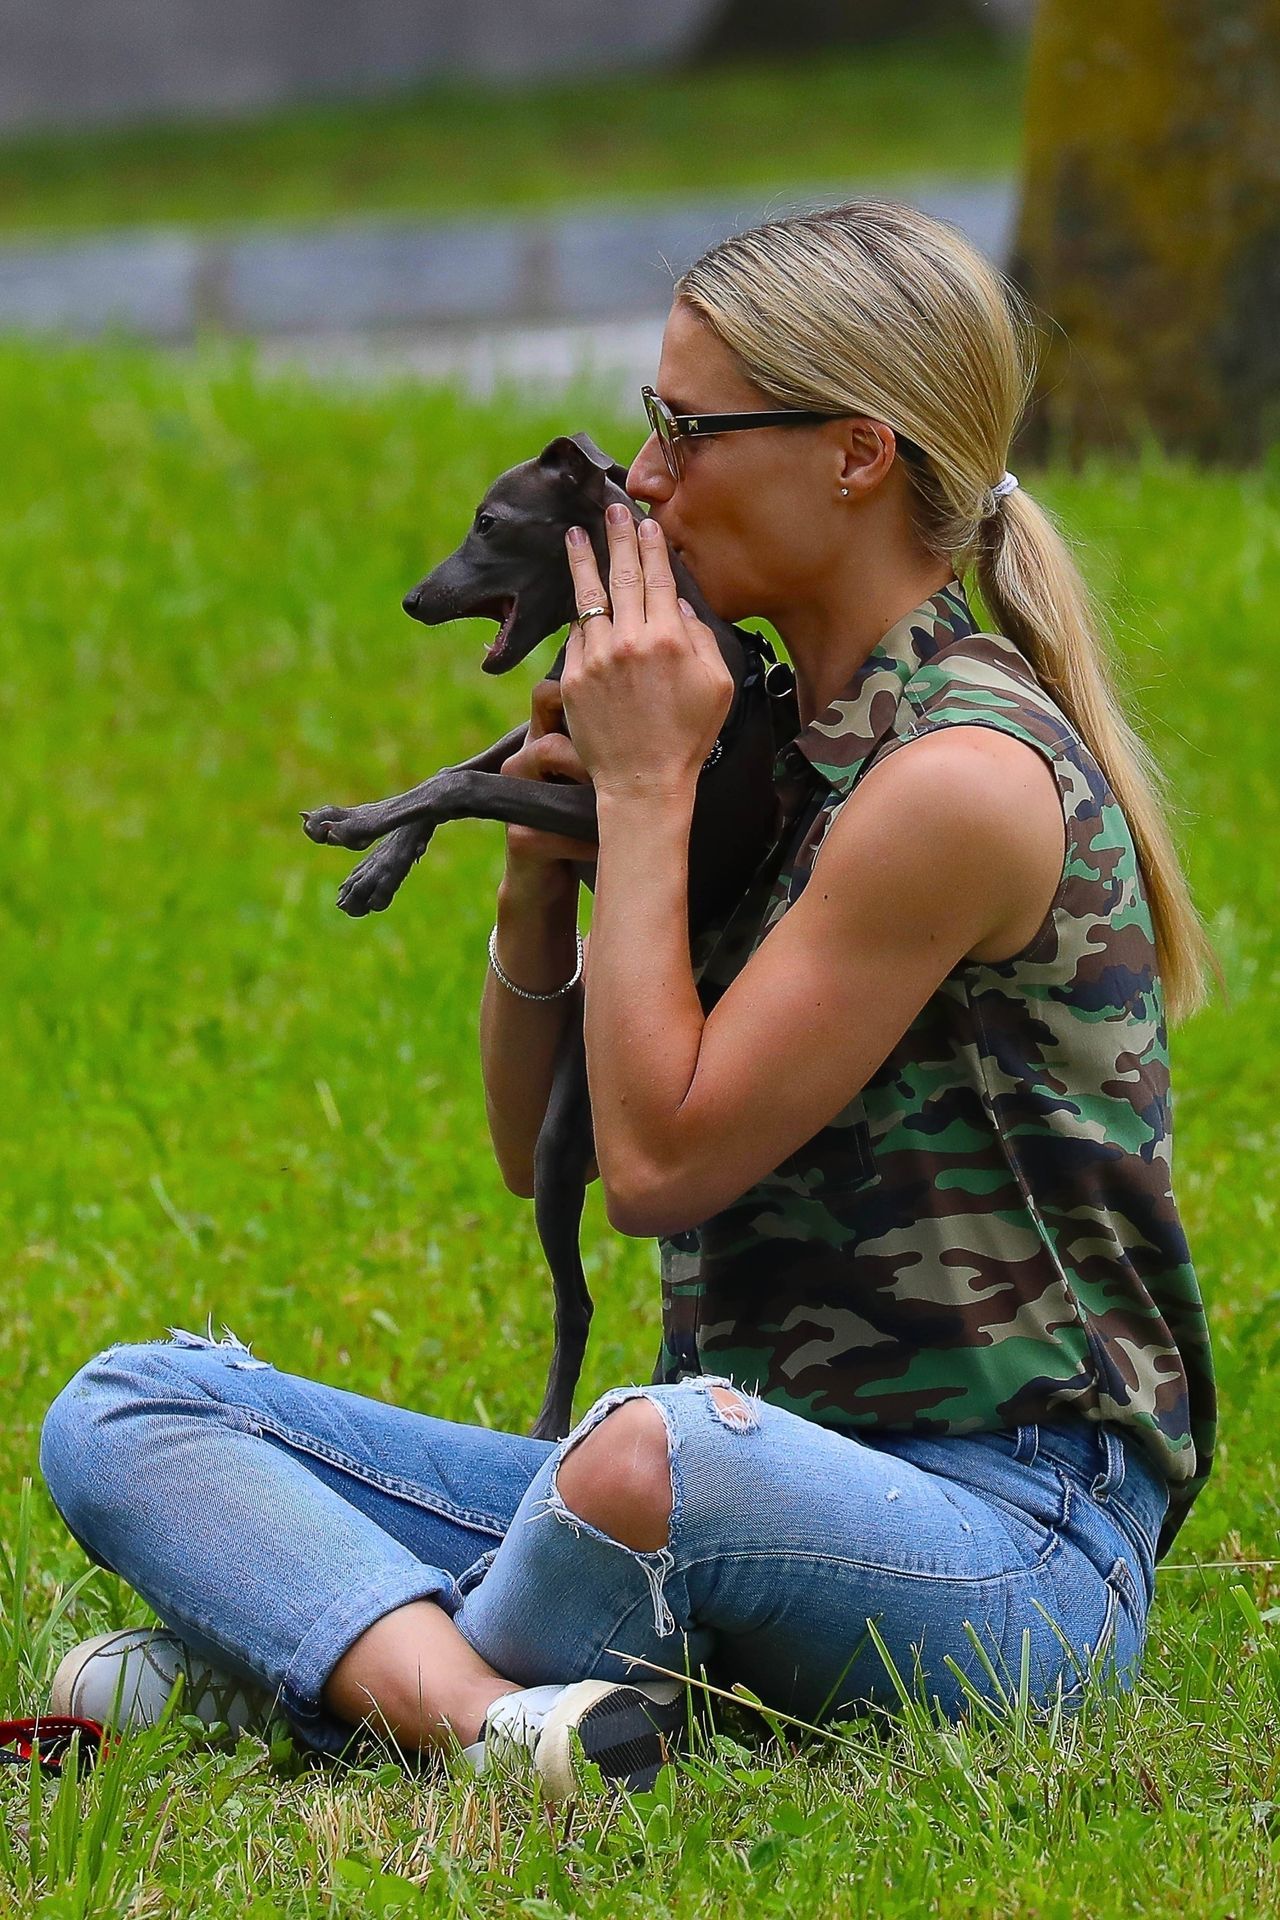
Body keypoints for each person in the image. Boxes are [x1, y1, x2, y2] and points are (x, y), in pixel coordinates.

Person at [39, 201, 1216, 1799]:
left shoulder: (960, 777)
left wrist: (653, 792)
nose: (642, 479)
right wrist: (551, 853)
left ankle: (334, 1681)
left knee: (646, 1460)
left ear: (857, 453)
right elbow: (545, 1153)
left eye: (685, 428)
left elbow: (663, 1171)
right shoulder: (783, 726)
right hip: (739, 1482)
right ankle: (485, 1711)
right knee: (132, 1408)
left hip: (1008, 1548)